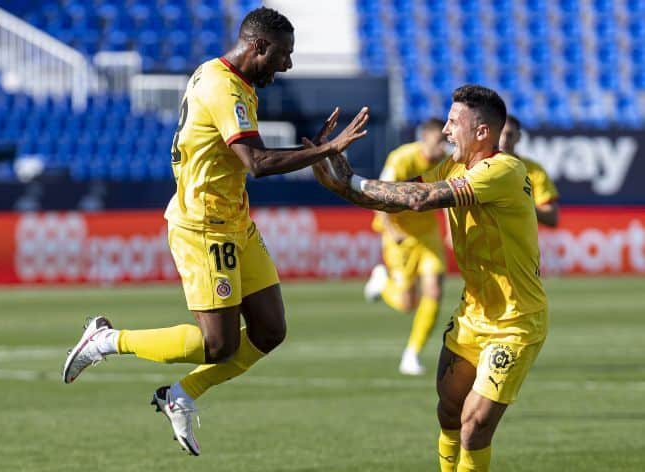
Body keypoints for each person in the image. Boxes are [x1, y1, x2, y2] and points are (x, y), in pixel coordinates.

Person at [61, 7, 369, 457]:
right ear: (259, 47)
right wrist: (326, 150)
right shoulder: (224, 88)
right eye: (283, 55)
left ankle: (180, 395)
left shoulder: (226, 76)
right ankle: (106, 340)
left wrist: (315, 151)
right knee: (218, 344)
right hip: (204, 227)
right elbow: (258, 164)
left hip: (235, 221)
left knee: (269, 331)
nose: (287, 66)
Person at [310, 85, 548, 472]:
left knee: (474, 426)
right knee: (449, 411)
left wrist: (350, 181)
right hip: (473, 315)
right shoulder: (453, 166)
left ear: (483, 132)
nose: (447, 131)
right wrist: (341, 185)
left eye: (455, 123)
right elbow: (400, 195)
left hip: (514, 323)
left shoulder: (503, 170)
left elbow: (420, 200)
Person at [363, 118, 449, 376]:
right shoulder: (401, 159)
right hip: (399, 236)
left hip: (428, 235)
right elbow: (379, 195)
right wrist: (391, 231)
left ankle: (412, 354)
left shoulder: (445, 163)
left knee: (434, 291)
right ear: (424, 137)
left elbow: (448, 195)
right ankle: (382, 282)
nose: (442, 147)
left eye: (446, 141)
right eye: (438, 141)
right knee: (406, 303)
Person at [499, 114, 560, 227]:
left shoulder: (534, 170)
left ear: (519, 137)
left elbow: (552, 217)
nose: (504, 139)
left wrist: (523, 206)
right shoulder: (478, 166)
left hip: (519, 242)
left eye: (509, 134)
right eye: (499, 134)